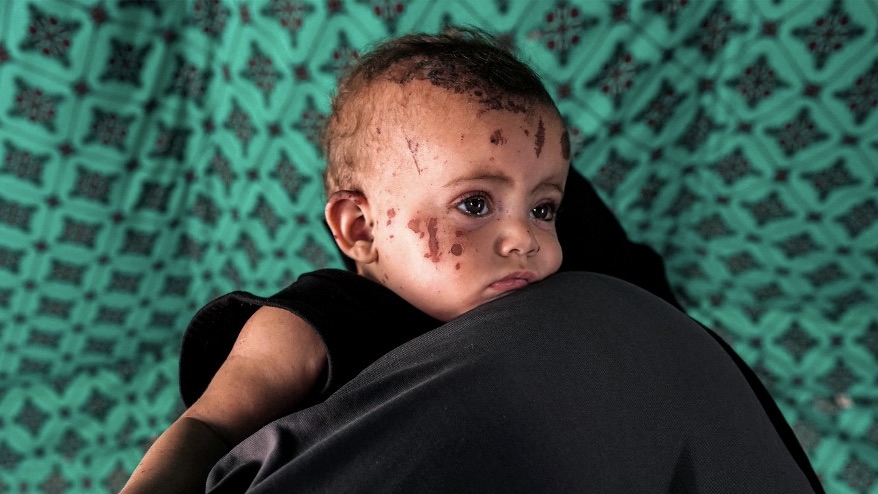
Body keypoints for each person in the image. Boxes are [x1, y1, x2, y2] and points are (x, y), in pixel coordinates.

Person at [122, 28, 823, 493]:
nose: (527, 239)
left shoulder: (544, 307)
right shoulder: (313, 319)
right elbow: (207, 427)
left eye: (546, 207)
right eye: (476, 206)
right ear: (360, 227)